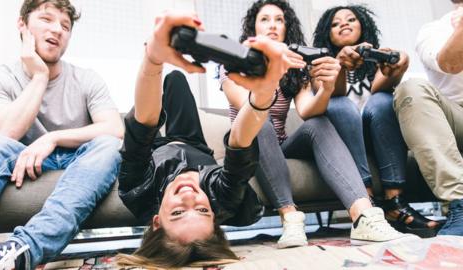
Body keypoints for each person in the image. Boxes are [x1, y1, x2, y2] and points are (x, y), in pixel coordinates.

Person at [115, 10, 306, 269]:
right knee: (178, 78)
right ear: (215, 215)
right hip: (192, 143)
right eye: (203, 211)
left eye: (178, 212)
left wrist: (153, 57)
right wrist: (264, 92)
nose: (190, 196)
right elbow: (240, 145)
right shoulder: (221, 197)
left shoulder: (137, 190)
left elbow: (142, 126)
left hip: (158, 150)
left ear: (157, 221)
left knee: (166, 87)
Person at [220, 0, 413, 248]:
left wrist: (327, 88)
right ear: (253, 29)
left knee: (318, 123)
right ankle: (290, 218)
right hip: (245, 144)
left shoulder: (295, 67)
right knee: (262, 121)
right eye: (265, 19)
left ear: (287, 28)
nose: (273, 25)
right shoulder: (235, 64)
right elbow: (250, 107)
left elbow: (307, 111)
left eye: (279, 20)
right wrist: (270, 71)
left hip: (280, 145)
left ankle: (364, 216)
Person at [0, 0, 123, 269]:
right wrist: (39, 77)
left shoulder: (86, 78)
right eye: (47, 19)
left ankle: (22, 250)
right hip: (22, 158)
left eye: (65, 25)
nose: (58, 30)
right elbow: (5, 133)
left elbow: (114, 129)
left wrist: (52, 138)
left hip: (80, 159)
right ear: (22, 25)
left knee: (108, 145)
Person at [312, 5, 439, 237]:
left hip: (375, 136)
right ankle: (367, 204)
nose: (344, 24)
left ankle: (395, 203)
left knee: (382, 100)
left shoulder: (378, 59)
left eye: (351, 19)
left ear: (363, 25)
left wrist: (397, 70)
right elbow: (334, 95)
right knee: (340, 105)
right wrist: (339, 63)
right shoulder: (320, 62)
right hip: (342, 141)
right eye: (335, 23)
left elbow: (378, 95)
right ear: (326, 33)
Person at [393, 0, 463, 236]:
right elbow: (450, 63)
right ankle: (460, 204)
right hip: (455, 118)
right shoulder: (433, 30)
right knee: (411, 88)